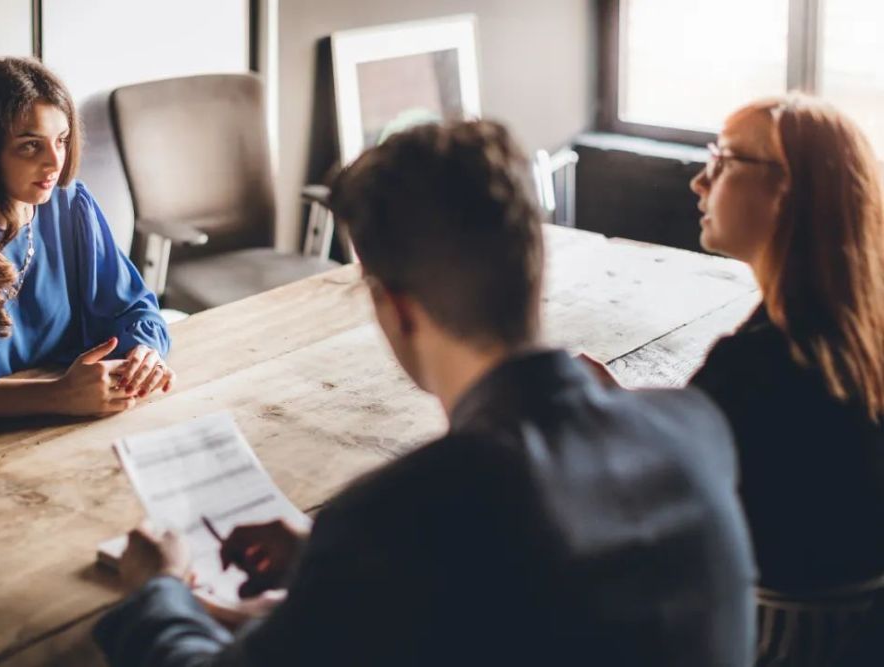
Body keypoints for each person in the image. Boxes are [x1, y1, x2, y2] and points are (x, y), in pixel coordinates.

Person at [93, 120, 756, 666]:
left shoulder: (399, 520)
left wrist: (157, 589)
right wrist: (327, 565)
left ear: (396, 309)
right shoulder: (694, 429)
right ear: (532, 261)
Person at [583, 94, 884, 665]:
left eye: (723, 161)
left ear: (787, 192)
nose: (701, 182)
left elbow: (647, 513)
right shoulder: (846, 332)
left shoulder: (757, 367)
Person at [0, 57, 174, 429]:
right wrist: (56, 395)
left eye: (62, 140)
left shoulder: (70, 205)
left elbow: (133, 306)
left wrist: (144, 354)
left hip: (62, 427)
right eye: (30, 146)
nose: (55, 162)